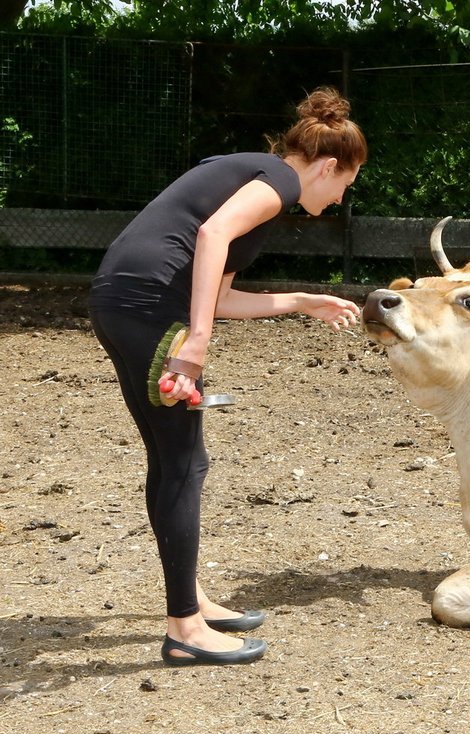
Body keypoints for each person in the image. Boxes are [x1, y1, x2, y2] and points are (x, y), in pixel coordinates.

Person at [88, 87, 367, 666]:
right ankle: (186, 632)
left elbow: (219, 296)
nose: (340, 199)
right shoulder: (279, 181)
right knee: (186, 462)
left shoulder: (252, 178)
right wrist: (195, 343)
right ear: (326, 166)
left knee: (172, 460)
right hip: (148, 308)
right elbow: (212, 237)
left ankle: (191, 603)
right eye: (345, 185)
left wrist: (302, 300)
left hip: (121, 302)